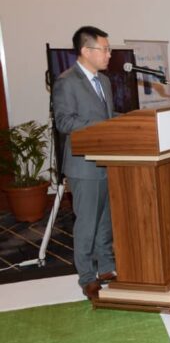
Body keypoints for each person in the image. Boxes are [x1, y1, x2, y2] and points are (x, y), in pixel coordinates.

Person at [52, 26, 116, 301]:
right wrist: (102, 124)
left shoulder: (105, 82)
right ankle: (87, 278)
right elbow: (64, 122)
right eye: (105, 49)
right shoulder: (67, 82)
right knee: (87, 224)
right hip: (83, 165)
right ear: (86, 51)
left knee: (105, 221)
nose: (109, 54)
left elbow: (108, 117)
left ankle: (106, 267)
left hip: (107, 161)